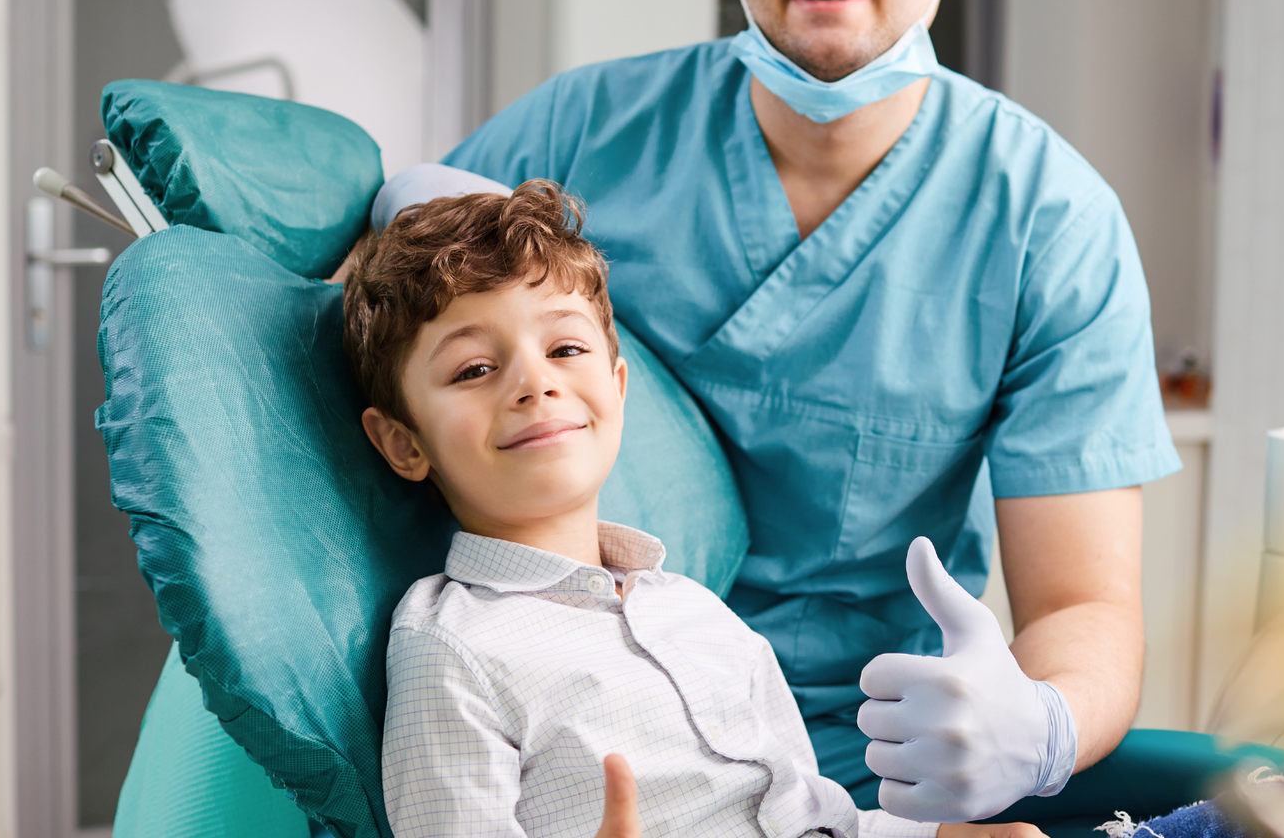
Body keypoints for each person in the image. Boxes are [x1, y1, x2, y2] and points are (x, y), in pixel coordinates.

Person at [372, 0, 1180, 825]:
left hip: (873, 761)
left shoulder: (1049, 219)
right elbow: (387, 320)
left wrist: (1039, 724)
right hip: (588, 750)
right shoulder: (577, 137)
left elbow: (1084, 602)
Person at [340, 180, 1045, 838]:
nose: (535, 382)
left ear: (616, 388)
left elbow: (816, 815)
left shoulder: (694, 610)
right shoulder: (451, 648)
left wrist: (945, 834)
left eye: (565, 347)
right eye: (473, 370)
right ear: (402, 443)